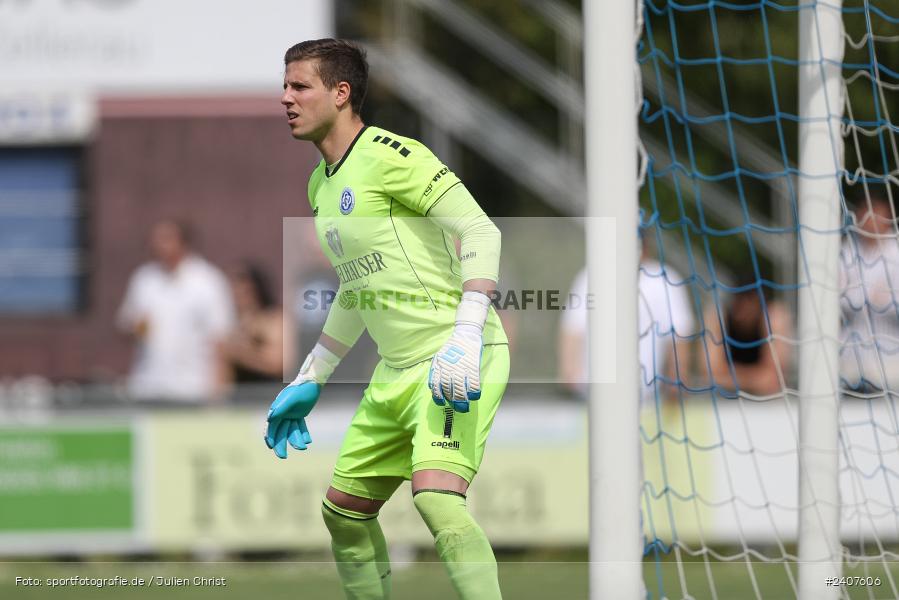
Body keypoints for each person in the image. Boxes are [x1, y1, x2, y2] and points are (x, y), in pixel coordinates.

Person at [265, 39, 509, 599]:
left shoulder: (395, 155)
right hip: (395, 373)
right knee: (344, 515)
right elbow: (358, 288)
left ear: (341, 92)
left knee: (436, 498)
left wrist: (467, 335)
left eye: (300, 86)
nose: (286, 98)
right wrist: (310, 376)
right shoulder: (319, 186)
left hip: (456, 356)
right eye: (285, 86)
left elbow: (481, 231)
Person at [557, 242, 696, 404]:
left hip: (646, 396)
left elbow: (679, 333)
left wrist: (677, 375)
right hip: (590, 393)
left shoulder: (663, 278)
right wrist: (568, 369)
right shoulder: (591, 275)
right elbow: (573, 327)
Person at [117, 219, 234, 402]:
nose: (157, 245)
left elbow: (220, 341)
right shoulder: (143, 279)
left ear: (183, 242)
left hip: (193, 390)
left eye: (165, 239)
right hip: (147, 386)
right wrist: (135, 328)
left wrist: (218, 394)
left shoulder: (208, 281)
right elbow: (125, 326)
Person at [840, 191, 899, 390]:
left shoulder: (896, 252)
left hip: (890, 344)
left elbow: (892, 303)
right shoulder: (847, 250)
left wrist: (862, 296)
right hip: (850, 344)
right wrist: (870, 297)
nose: (871, 222)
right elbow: (839, 297)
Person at [702, 276, 791, 398]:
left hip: (768, 402)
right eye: (739, 302)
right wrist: (755, 377)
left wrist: (730, 375)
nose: (741, 312)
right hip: (725, 400)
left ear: (760, 304)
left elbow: (772, 379)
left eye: (748, 302)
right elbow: (710, 375)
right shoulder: (719, 317)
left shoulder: (773, 317)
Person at [223, 263, 285, 383]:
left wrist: (240, 353)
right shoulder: (232, 323)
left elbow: (278, 363)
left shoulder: (274, 319)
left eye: (245, 291)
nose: (240, 297)